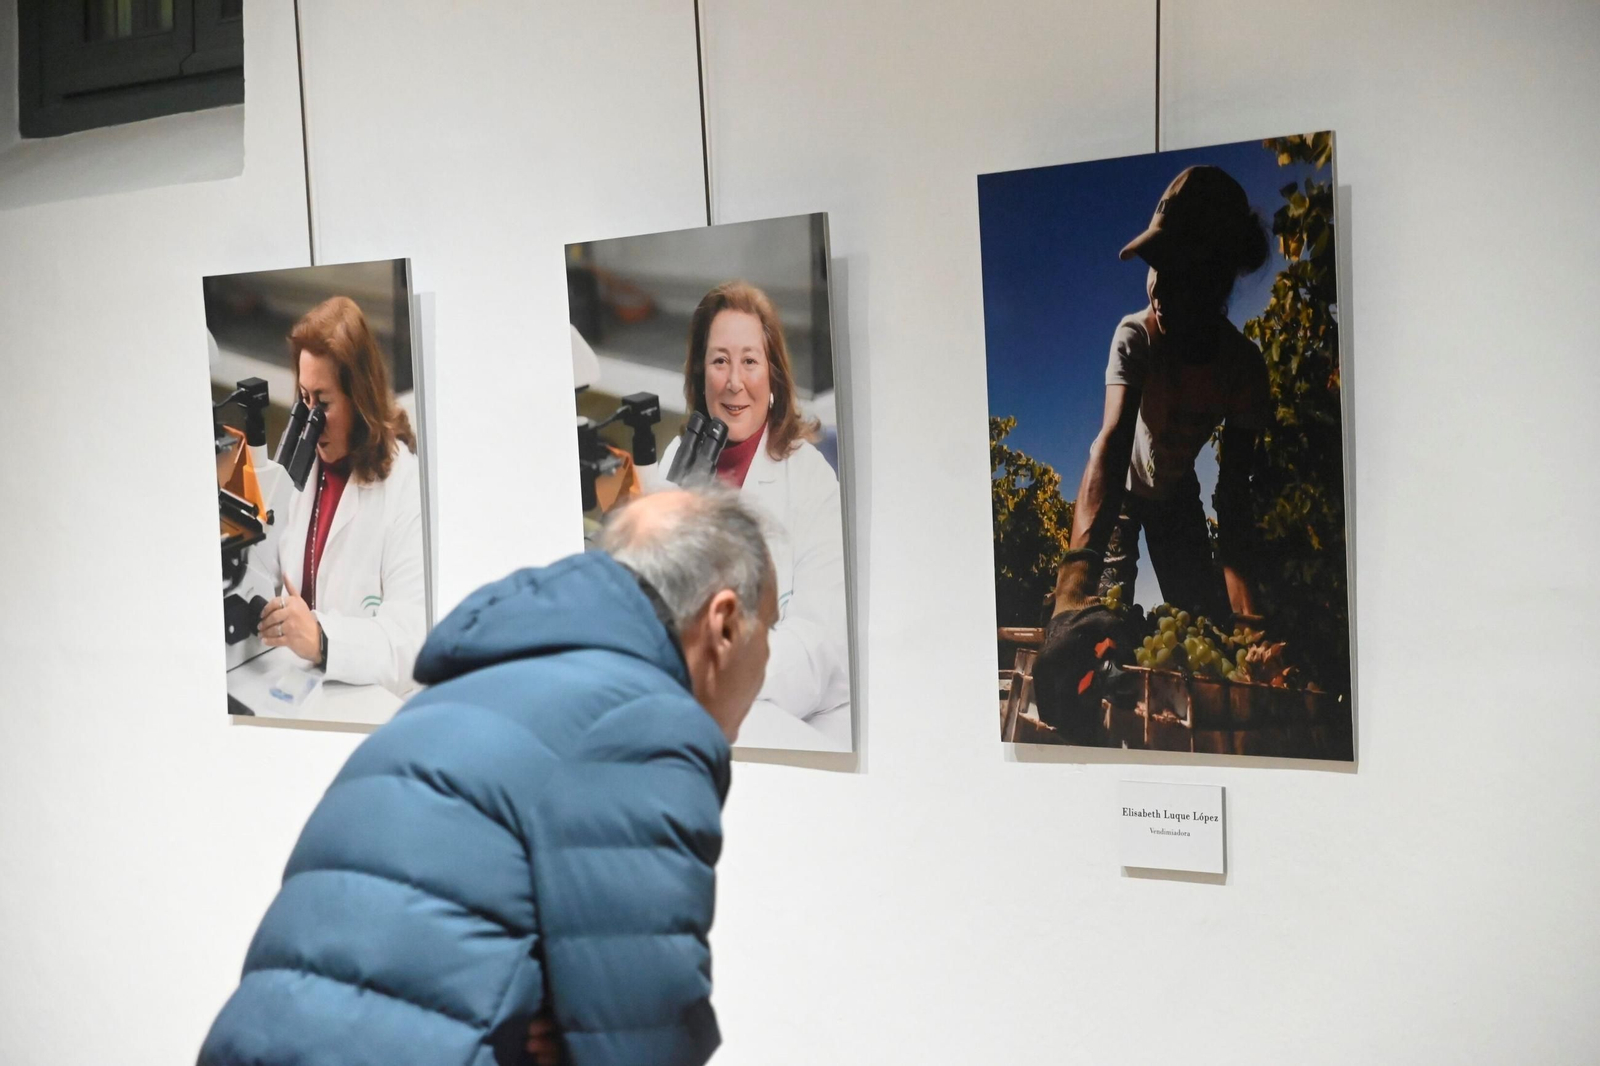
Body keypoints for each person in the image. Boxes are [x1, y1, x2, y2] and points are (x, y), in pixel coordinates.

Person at [198, 485, 778, 1066]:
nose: (767, 658)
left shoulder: (455, 697)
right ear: (724, 623)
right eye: (769, 630)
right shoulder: (645, 719)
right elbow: (643, 1033)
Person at [1034, 165, 1269, 742]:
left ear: (1218, 282)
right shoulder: (1135, 337)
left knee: (1211, 635)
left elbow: (1235, 497)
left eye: (1180, 271)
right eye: (1155, 269)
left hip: (1176, 500)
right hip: (1125, 495)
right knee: (1098, 624)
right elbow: (1110, 450)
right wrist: (1073, 582)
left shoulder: (1242, 369)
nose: (1158, 286)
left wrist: (1251, 628)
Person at [653, 280, 850, 744]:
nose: (734, 382)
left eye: (749, 361)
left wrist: (716, 672)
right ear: (700, 376)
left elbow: (817, 646)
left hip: (794, 717)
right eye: (719, 360)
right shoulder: (679, 458)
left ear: (773, 376)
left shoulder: (809, 477)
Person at [255, 296, 426, 697]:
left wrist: (321, 638)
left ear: (360, 398)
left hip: (372, 706)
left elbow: (410, 645)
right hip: (298, 684)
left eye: (324, 403)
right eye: (304, 399)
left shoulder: (404, 487)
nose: (311, 418)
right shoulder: (301, 466)